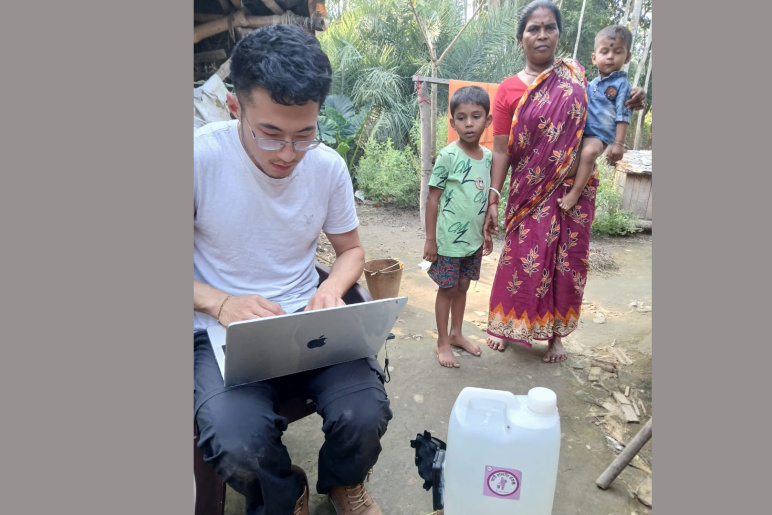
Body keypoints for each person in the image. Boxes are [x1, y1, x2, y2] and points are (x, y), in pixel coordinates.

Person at [193, 25, 391, 515]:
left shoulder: (326, 168)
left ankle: (343, 482)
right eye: (271, 134)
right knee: (236, 440)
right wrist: (221, 302)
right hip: (223, 331)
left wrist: (334, 291)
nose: (287, 154)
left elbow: (351, 252)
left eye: (304, 134)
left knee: (365, 411)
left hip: (307, 323)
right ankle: (285, 493)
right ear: (236, 108)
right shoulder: (198, 158)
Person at [483, 0, 646, 362]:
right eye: (533, 29)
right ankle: (506, 324)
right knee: (521, 259)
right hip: (530, 191)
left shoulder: (577, 74)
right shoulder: (509, 90)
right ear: (520, 38)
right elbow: (500, 150)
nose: (541, 35)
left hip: (576, 189)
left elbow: (610, 103)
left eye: (549, 27)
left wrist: (634, 98)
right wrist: (494, 197)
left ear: (558, 33)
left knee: (567, 263)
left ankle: (556, 336)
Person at [423, 86, 494, 368]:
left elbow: (484, 197)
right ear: (452, 122)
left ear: (487, 120)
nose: (469, 123)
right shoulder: (448, 156)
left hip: (474, 241)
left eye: (476, 116)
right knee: (447, 289)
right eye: (462, 118)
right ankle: (442, 341)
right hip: (449, 241)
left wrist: (486, 231)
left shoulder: (488, 158)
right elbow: (432, 199)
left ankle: (456, 334)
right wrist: (431, 240)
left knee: (463, 286)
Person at [557, 25, 634, 212]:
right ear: (594, 58)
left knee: (589, 153)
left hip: (599, 135)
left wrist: (619, 144)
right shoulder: (589, 84)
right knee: (567, 160)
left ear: (627, 57)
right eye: (604, 51)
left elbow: (624, 115)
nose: (610, 56)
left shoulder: (623, 85)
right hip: (580, 132)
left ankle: (575, 193)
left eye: (617, 52)